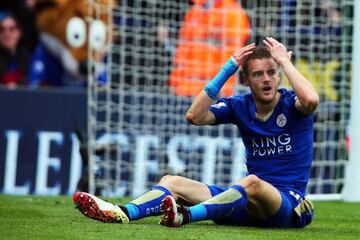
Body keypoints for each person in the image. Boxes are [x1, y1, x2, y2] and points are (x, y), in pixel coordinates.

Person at [73, 37, 318, 228]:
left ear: (278, 75)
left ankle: (186, 215)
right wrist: (228, 68)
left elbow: (311, 100)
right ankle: (123, 212)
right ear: (246, 80)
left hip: (286, 205)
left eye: (271, 72)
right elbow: (195, 116)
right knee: (171, 181)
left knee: (252, 183)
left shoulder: (292, 104)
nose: (266, 79)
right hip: (247, 206)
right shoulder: (240, 106)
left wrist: (285, 62)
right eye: (258, 74)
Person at [0, 12, 30, 88]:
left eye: (12, 29)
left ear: (19, 32)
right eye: (2, 29)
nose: (7, 34)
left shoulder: (27, 56)